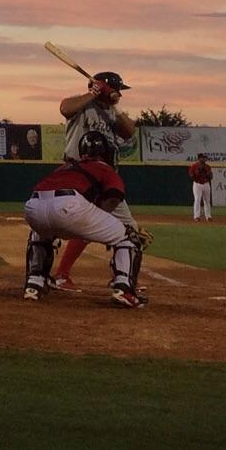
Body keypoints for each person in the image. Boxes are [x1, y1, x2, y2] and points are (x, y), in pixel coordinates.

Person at [19, 144, 148, 308]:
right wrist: (99, 222)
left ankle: (34, 282)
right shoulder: (104, 168)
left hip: (33, 206)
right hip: (70, 206)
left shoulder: (65, 167)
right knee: (129, 237)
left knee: (40, 233)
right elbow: (114, 196)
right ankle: (124, 289)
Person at [49, 72, 138, 292]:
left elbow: (129, 131)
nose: (120, 94)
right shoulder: (83, 106)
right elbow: (65, 108)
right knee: (78, 228)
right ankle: (57, 275)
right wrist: (93, 92)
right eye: (118, 89)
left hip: (105, 177)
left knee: (130, 231)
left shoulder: (111, 113)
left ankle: (122, 278)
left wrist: (113, 104)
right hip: (79, 175)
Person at [189, 153, 213, 222]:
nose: (205, 159)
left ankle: (208, 217)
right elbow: (191, 176)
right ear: (199, 158)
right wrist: (198, 171)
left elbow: (211, 177)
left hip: (206, 184)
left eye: (205, 157)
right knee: (197, 200)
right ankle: (196, 216)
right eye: (203, 157)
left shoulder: (208, 166)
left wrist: (209, 174)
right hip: (197, 184)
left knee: (207, 201)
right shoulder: (194, 166)